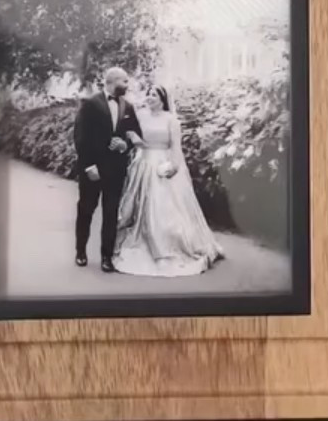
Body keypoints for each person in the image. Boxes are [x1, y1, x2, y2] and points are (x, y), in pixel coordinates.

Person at [112, 85, 224, 278]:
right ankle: (143, 240)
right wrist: (131, 137)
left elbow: (176, 147)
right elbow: (128, 133)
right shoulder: (140, 116)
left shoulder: (171, 120)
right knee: (140, 207)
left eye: (154, 95)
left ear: (163, 99)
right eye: (148, 94)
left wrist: (174, 166)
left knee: (162, 206)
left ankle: (166, 246)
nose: (150, 97)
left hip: (162, 164)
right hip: (143, 163)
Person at [74, 66, 143, 272]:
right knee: (86, 210)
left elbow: (135, 134)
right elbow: (80, 137)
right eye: (124, 81)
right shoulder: (91, 104)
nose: (127, 85)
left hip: (116, 170)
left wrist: (125, 145)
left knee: (111, 214)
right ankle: (80, 251)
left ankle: (107, 257)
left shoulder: (128, 107)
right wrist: (88, 166)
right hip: (93, 169)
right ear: (112, 81)